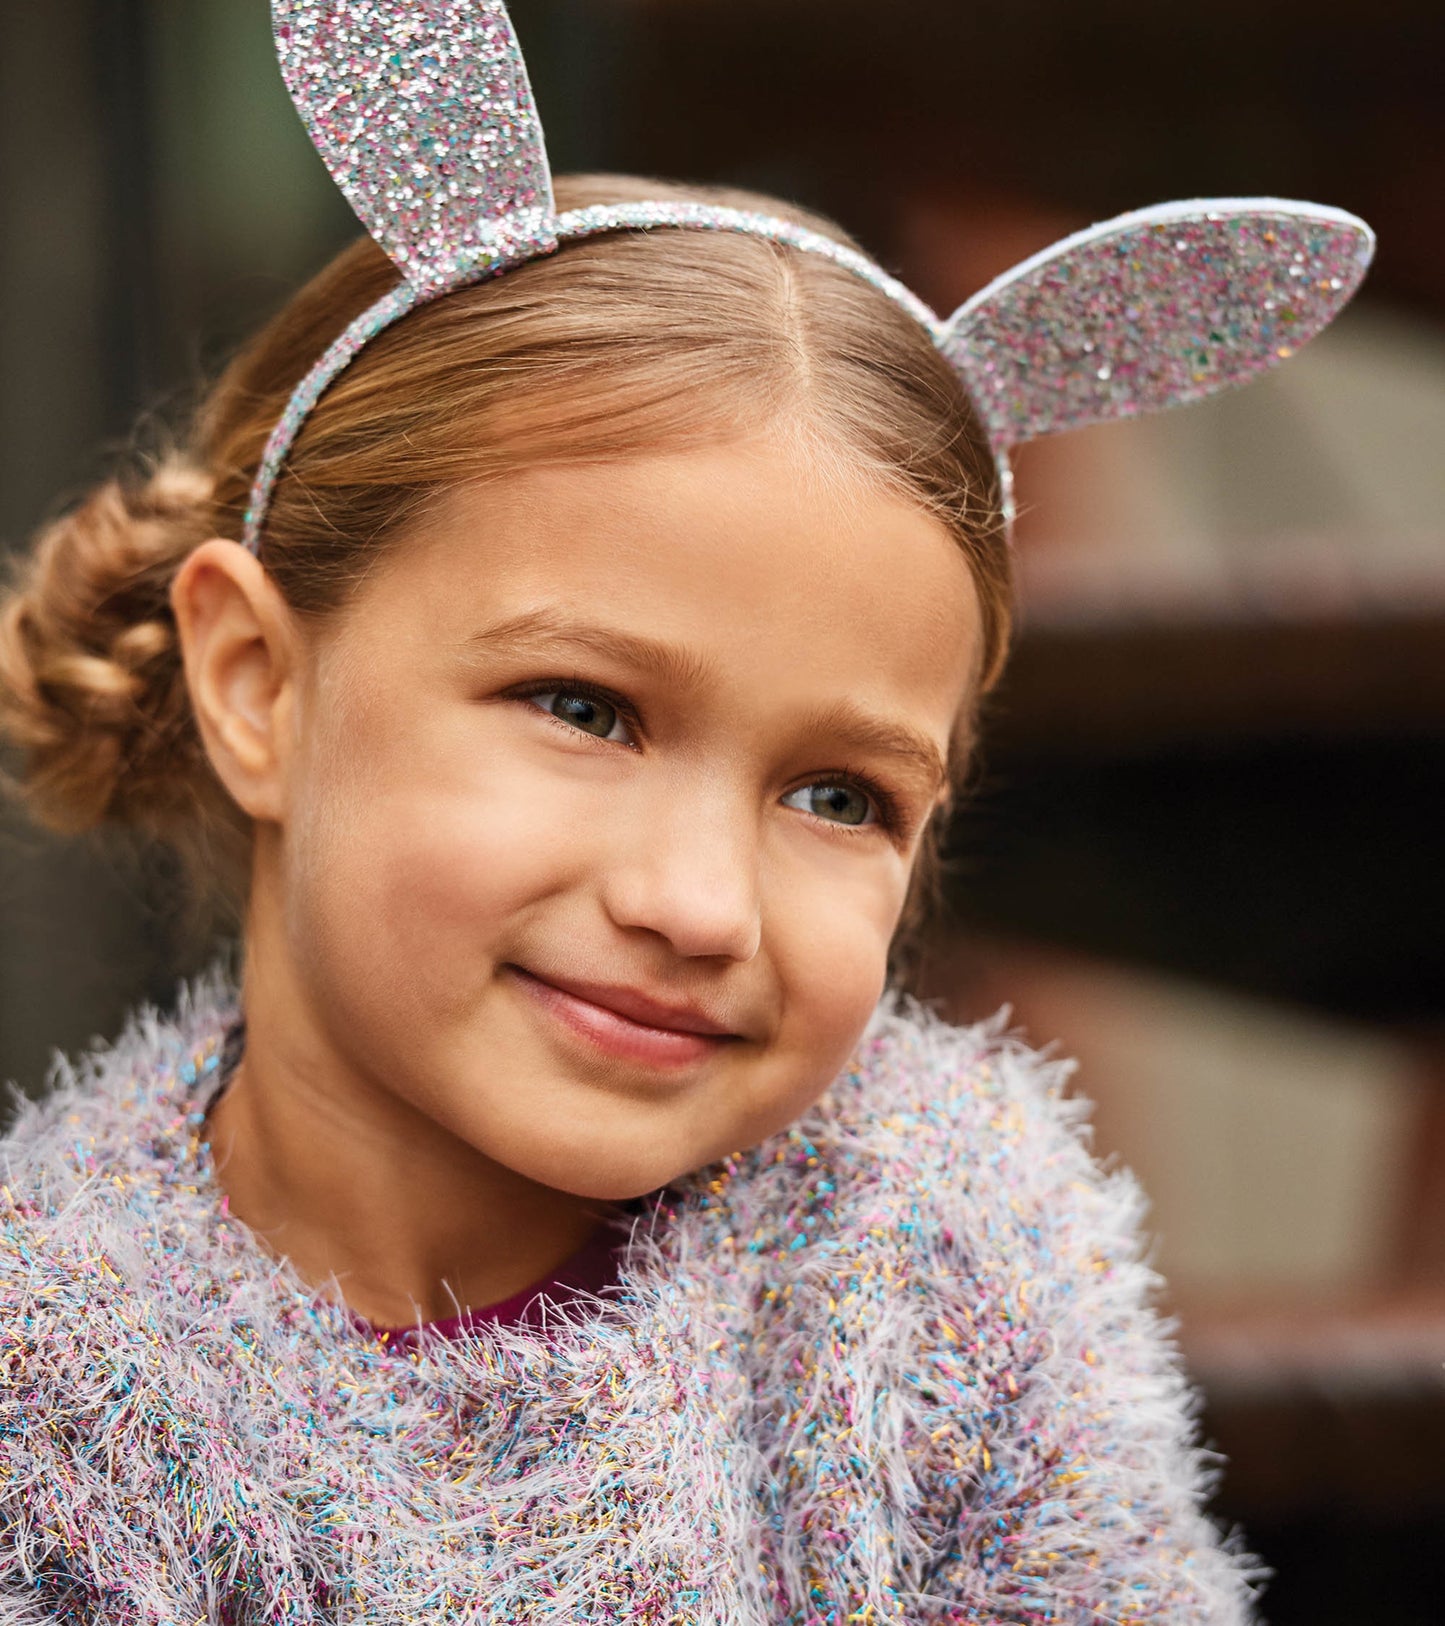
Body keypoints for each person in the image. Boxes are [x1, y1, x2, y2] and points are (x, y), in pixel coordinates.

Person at [0, 2, 1372, 1620]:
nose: (699, 901)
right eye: (583, 707)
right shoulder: (57, 1384)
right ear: (257, 683)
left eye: (836, 793)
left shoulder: (942, 1244)